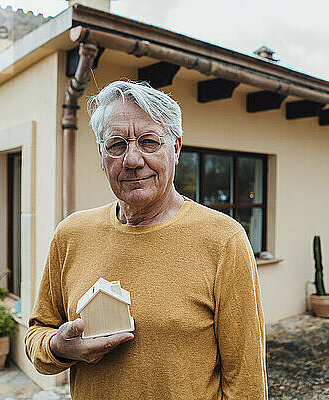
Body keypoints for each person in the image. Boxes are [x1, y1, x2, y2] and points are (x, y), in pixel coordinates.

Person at [25, 81, 268, 399]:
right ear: (102, 156)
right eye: (116, 145)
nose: (132, 160)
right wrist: (60, 347)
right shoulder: (71, 234)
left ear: (177, 149)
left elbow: (245, 379)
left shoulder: (223, 240)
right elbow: (37, 335)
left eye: (149, 142)